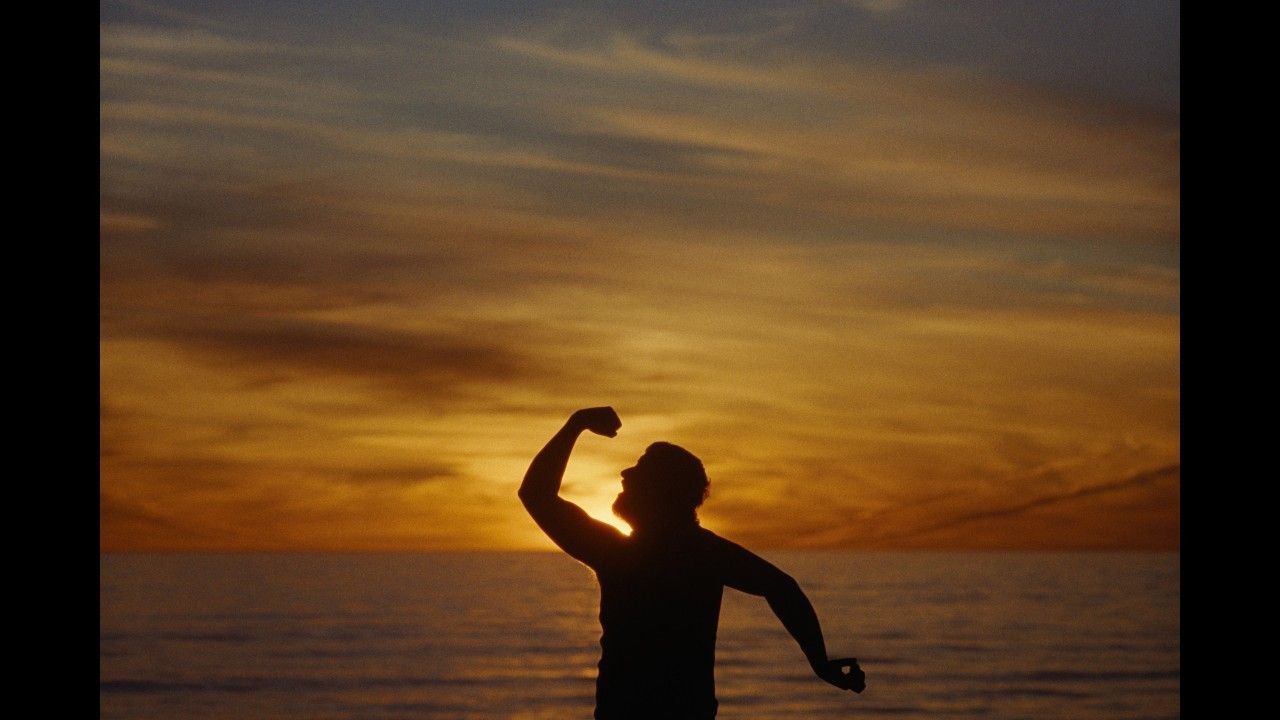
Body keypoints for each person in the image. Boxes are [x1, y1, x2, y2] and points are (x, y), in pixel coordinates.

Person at [519, 406, 865, 719]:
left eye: (640, 470)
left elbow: (536, 495)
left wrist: (577, 423)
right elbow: (781, 587)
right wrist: (819, 662)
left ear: (660, 491)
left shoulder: (619, 554)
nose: (625, 474)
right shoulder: (702, 552)